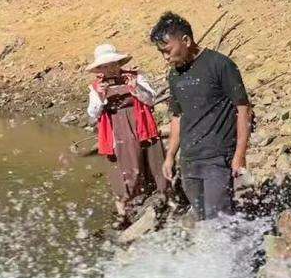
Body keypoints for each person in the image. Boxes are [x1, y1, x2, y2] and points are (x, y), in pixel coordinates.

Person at [150, 12, 251, 221]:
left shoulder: (220, 64)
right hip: (189, 161)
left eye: (168, 51)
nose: (166, 57)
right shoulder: (174, 75)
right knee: (203, 219)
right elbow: (177, 117)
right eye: (161, 53)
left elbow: (243, 109)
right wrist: (170, 157)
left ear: (186, 40)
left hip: (218, 157)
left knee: (220, 220)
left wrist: (240, 154)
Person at [86, 43, 167, 219]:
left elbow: (151, 100)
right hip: (117, 130)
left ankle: (163, 198)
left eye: (113, 64)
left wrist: (135, 87)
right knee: (127, 168)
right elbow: (93, 114)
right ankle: (128, 209)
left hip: (142, 124)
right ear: (100, 68)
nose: (110, 69)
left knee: (154, 160)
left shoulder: (135, 77)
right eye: (105, 66)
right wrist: (100, 96)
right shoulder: (96, 87)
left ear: (119, 63)